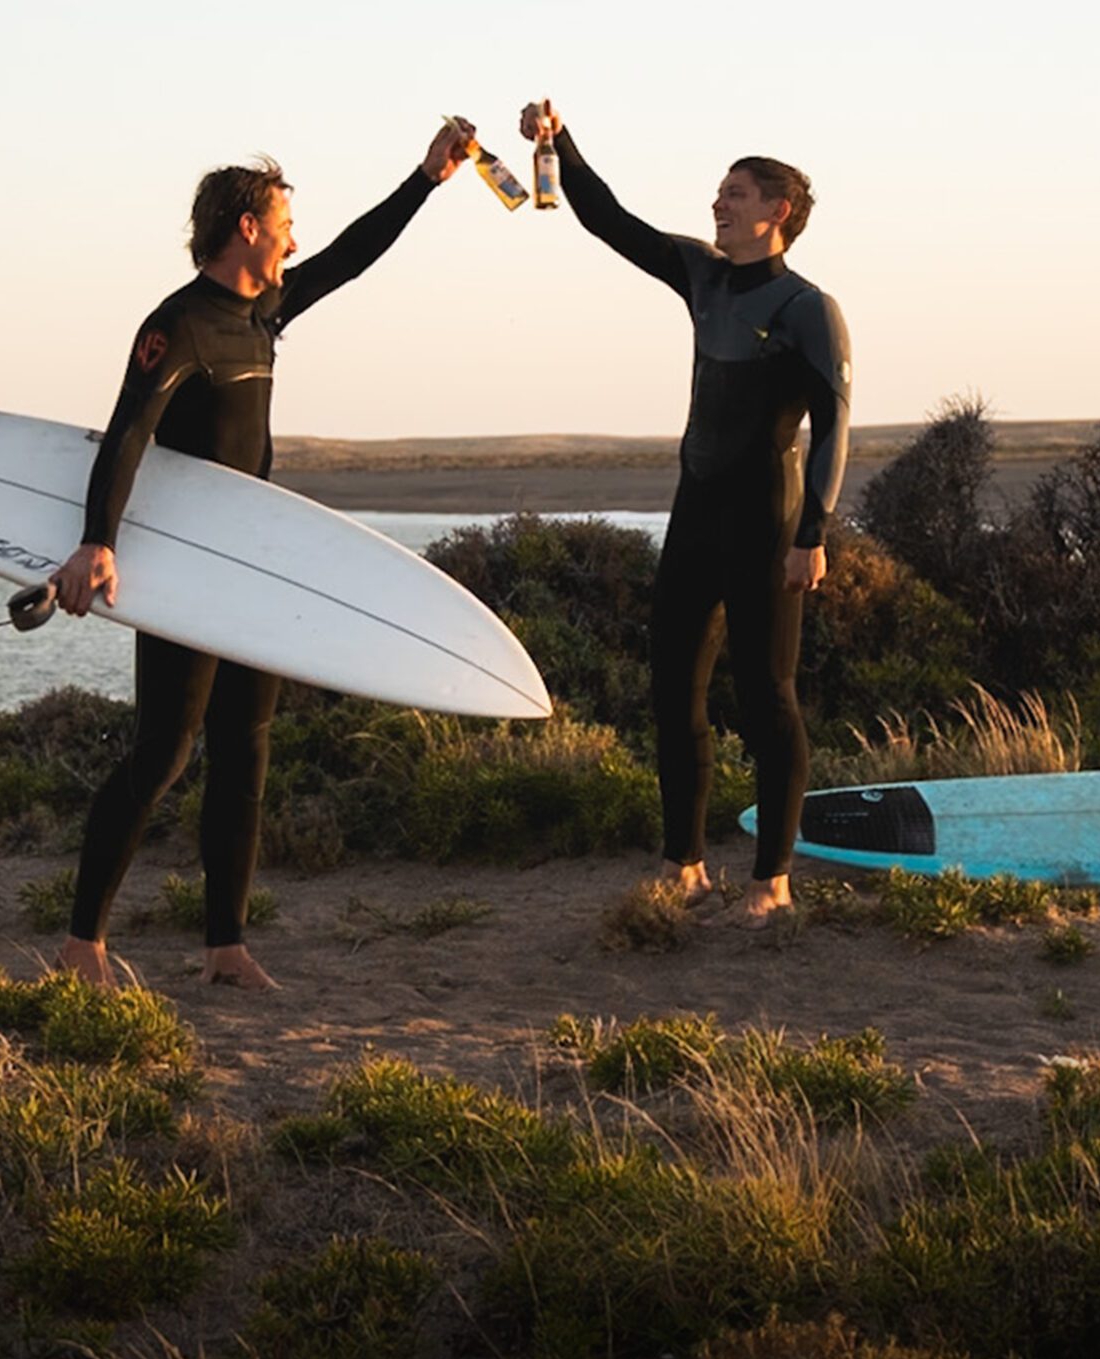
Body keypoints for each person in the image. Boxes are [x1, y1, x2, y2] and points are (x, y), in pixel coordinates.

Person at [53, 121, 475, 989]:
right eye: (284, 223)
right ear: (245, 227)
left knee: (246, 753)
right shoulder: (178, 324)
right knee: (163, 754)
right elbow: (128, 434)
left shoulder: (263, 312)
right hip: (190, 569)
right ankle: (81, 942)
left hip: (255, 564)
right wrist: (98, 542)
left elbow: (351, 257)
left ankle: (226, 947)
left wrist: (426, 178)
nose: (295, 239)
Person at [520, 101, 851, 922]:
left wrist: (811, 534)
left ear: (776, 211)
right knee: (673, 690)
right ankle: (685, 865)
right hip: (695, 514)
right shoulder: (703, 275)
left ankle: (772, 881)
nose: (717, 203)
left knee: (768, 698)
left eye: (735, 193)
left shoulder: (807, 307)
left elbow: (834, 424)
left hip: (766, 523)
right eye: (720, 191)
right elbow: (610, 222)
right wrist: (559, 144)